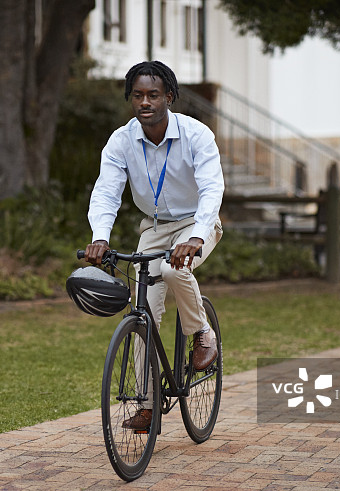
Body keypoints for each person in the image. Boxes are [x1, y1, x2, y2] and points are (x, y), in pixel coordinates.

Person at [84, 60, 225, 430]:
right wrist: (101, 236)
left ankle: (201, 332)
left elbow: (212, 187)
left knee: (171, 269)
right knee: (142, 311)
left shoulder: (196, 135)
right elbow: (106, 192)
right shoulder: (121, 140)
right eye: (138, 95)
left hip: (197, 222)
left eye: (153, 94)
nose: (145, 102)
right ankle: (147, 405)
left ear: (170, 97)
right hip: (155, 227)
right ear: (131, 99)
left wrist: (196, 236)